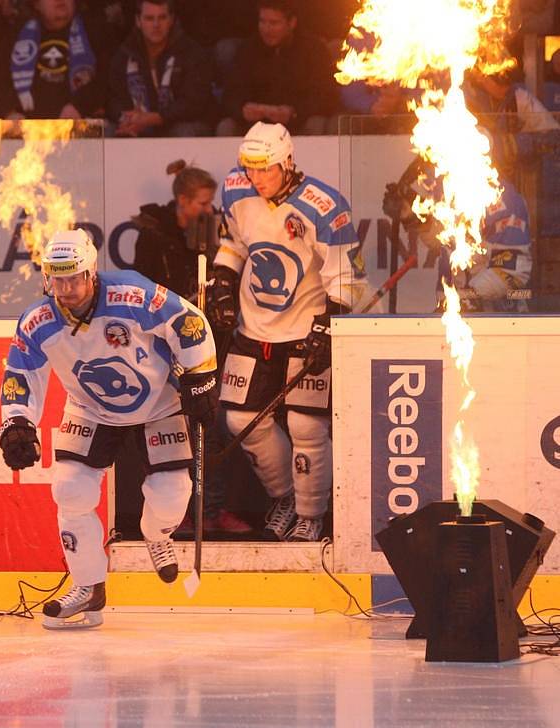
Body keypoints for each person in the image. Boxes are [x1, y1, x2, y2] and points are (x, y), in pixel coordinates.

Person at [0, 228, 217, 629]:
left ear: (92, 273)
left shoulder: (131, 293)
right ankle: (88, 589)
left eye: (73, 277)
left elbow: (189, 322)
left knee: (173, 495)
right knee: (70, 489)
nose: (65, 288)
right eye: (56, 278)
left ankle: (156, 535)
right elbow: (20, 375)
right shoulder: (37, 321)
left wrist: (201, 376)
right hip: (88, 409)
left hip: (159, 404)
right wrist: (16, 421)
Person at [208, 122, 367, 542]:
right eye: (250, 168)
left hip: (304, 327)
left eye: (266, 169)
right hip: (254, 327)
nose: (257, 178)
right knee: (241, 418)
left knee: (306, 425)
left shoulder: (324, 204)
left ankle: (311, 513)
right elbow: (235, 244)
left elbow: (347, 277)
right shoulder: (235, 189)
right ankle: (285, 498)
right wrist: (223, 284)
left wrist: (328, 325)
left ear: (287, 161)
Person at [132, 160, 253, 535]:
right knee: (172, 432)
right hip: (163, 350)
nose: (209, 208)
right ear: (183, 201)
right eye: (202, 202)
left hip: (205, 346)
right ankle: (175, 514)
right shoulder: (152, 235)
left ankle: (213, 510)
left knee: (212, 426)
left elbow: (221, 282)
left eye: (211, 202)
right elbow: (143, 294)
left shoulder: (212, 233)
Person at [382, 149, 533, 313]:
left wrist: (468, 296)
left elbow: (513, 270)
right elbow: (440, 242)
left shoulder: (503, 198)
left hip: (498, 319)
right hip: (452, 309)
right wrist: (412, 217)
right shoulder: (449, 189)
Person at [216, 0, 337, 137]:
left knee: (317, 123)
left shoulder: (313, 49)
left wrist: (294, 112)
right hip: (254, 124)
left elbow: (326, 96)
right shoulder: (248, 49)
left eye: (274, 23)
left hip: (297, 122)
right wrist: (242, 110)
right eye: (262, 22)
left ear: (291, 23)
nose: (266, 29)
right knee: (226, 126)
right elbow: (230, 94)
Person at [106, 0, 215, 137]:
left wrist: (154, 118)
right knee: (107, 131)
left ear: (171, 20)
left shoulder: (191, 52)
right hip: (137, 124)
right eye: (149, 18)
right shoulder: (125, 53)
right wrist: (127, 119)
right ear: (138, 21)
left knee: (184, 132)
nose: (156, 25)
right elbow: (113, 99)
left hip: (181, 123)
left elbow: (194, 103)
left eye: (162, 18)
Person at [0, 0, 108, 120]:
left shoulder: (94, 31)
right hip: (28, 130)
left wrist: (80, 106)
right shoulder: (16, 35)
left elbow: (108, 78)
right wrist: (9, 112)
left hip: (84, 127)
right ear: (36, 4)